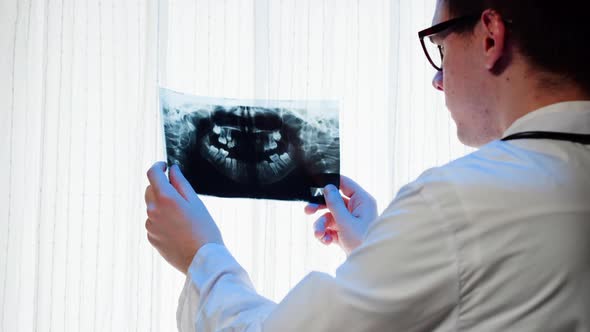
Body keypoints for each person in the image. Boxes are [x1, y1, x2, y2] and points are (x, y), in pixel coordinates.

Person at [144, 0, 590, 330]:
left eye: (439, 46)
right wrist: (382, 251)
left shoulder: (456, 205)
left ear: (490, 35)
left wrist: (201, 256)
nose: (438, 79)